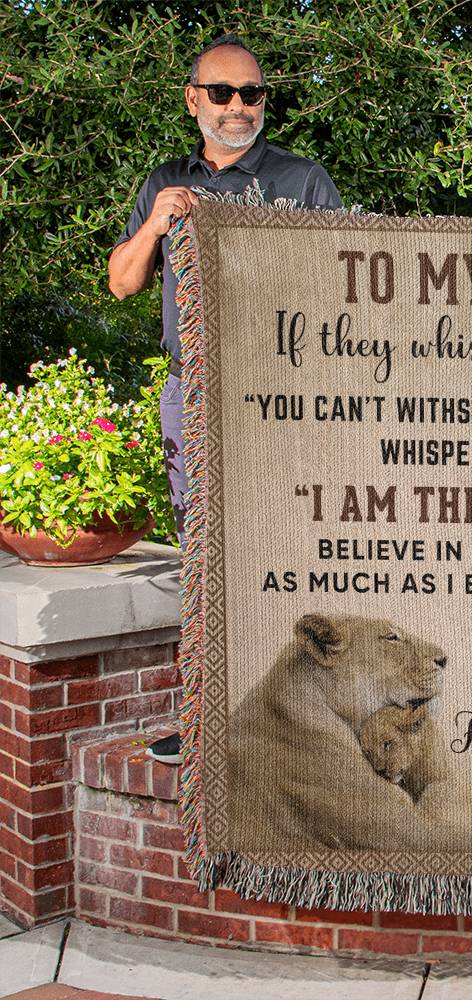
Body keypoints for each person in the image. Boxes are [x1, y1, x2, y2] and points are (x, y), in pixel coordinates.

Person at [109, 34, 342, 765]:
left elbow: (345, 286)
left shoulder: (303, 182)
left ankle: (297, 731)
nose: (238, 107)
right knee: (203, 558)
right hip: (194, 395)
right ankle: (208, 725)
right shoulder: (166, 183)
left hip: (279, 399)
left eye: (251, 94)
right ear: (193, 100)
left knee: (285, 551)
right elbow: (122, 283)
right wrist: (156, 222)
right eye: (222, 93)